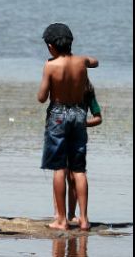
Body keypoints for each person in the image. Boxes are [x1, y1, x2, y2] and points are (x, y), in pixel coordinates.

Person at [37, 22, 99, 231]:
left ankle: (61, 219)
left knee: (59, 167)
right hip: (79, 114)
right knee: (79, 168)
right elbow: (95, 62)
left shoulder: (50, 65)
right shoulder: (81, 62)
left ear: (51, 46)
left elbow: (42, 97)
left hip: (58, 115)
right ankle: (84, 219)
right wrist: (85, 61)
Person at [64, 79, 102, 225]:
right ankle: (78, 216)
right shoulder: (86, 89)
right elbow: (98, 118)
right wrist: (83, 123)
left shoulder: (82, 90)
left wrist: (82, 123)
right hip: (78, 136)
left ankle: (69, 215)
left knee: (68, 175)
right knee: (75, 174)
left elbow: (98, 118)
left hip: (67, 134)